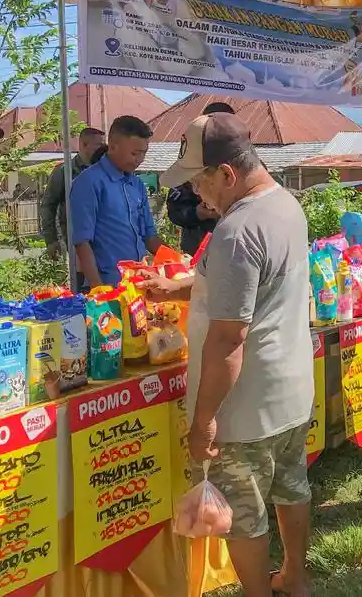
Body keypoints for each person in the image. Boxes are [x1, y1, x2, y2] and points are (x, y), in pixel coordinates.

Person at [144, 112, 314, 597]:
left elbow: (228, 339)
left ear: (226, 173)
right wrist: (181, 288)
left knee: (244, 513)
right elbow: (252, 288)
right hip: (290, 390)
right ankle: (295, 578)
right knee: (291, 487)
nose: (196, 192)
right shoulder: (285, 203)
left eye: (200, 180)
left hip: (245, 404)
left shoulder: (236, 231)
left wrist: (204, 421)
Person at [69, 115, 161, 289]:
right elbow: (82, 242)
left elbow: (150, 236)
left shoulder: (137, 185)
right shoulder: (88, 182)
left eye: (143, 153)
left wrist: (178, 261)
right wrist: (97, 287)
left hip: (138, 283)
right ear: (112, 146)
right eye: (134, 153)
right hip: (107, 284)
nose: (139, 160)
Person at [167, 102, 234, 255]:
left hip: (234, 247)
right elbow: (175, 210)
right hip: (197, 247)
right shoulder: (191, 158)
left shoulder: (245, 161)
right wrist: (198, 213)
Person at [41, 127, 106, 259]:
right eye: (98, 145)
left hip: (104, 238)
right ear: (84, 144)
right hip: (77, 240)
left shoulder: (105, 170)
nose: (102, 149)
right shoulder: (65, 171)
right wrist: (51, 240)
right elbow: (49, 205)